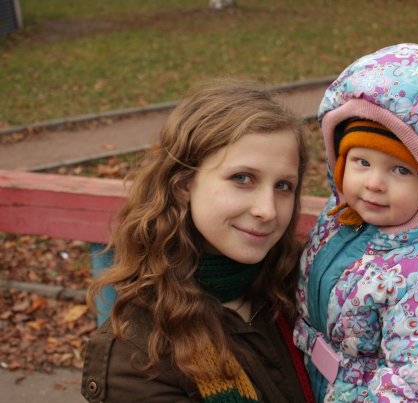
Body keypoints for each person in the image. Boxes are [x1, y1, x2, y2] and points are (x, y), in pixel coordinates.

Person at [81, 81, 315, 403]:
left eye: (283, 186)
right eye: (242, 178)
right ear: (183, 184)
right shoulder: (138, 356)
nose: (267, 210)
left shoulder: (305, 290)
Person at [294, 44, 418, 402]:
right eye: (362, 162)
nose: (374, 183)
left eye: (400, 170)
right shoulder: (342, 218)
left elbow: (415, 388)